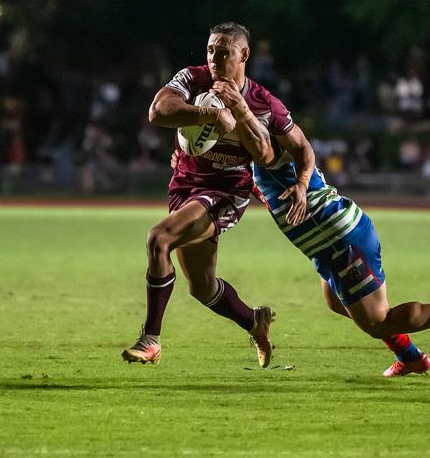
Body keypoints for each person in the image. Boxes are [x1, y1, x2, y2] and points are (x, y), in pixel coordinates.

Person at [122, 22, 300, 368]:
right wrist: (210, 114)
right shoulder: (193, 79)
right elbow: (157, 111)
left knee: (159, 239)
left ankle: (151, 339)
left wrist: (303, 182)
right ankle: (254, 320)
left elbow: (289, 149)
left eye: (224, 52)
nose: (214, 58)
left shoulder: (262, 102)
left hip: (225, 194)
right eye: (210, 50)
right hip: (186, 188)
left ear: (244, 55)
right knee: (202, 288)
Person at [251, 126, 430, 377]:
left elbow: (296, 150)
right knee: (336, 303)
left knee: (379, 322)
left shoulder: (266, 140)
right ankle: (410, 357)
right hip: (327, 245)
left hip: (339, 241)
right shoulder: (254, 149)